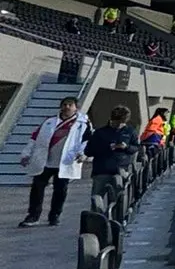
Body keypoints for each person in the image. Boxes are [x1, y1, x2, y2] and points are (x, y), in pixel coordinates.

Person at [19, 96, 90, 227]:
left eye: (70, 105)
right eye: (64, 104)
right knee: (37, 188)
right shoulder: (49, 121)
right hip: (45, 161)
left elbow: (85, 141)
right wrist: (26, 154)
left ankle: (54, 216)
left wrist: (82, 154)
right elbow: (34, 138)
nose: (67, 107)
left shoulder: (82, 124)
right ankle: (33, 216)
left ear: (76, 108)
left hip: (64, 162)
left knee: (60, 190)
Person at [86, 105, 138, 204]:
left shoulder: (130, 131)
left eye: (122, 123)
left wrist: (126, 147)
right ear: (112, 119)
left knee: (119, 200)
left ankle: (117, 218)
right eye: (117, 123)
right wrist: (107, 148)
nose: (120, 125)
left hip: (121, 170)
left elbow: (136, 147)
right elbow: (88, 151)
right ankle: (96, 218)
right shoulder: (100, 132)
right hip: (102, 170)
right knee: (97, 199)